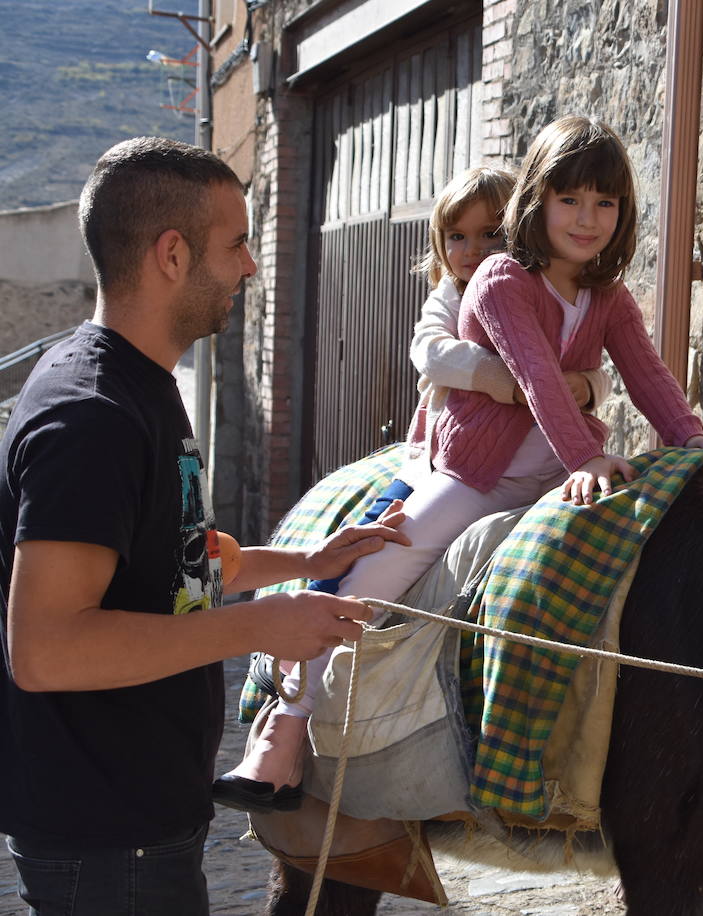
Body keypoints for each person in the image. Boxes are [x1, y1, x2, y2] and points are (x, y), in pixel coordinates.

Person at [222, 114, 703, 798]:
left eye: (605, 202)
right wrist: (583, 458)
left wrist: (694, 443)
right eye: (569, 199)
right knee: (380, 566)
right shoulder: (502, 281)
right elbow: (539, 376)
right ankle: (289, 717)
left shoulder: (608, 299)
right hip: (477, 476)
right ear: (536, 201)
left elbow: (649, 377)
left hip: (561, 472)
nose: (587, 218)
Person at [0, 137, 409, 916]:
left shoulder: (141, 385)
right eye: (238, 243)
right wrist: (258, 629)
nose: (252, 265)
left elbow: (174, 569)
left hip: (142, 822)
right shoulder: (90, 416)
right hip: (106, 841)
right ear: (172, 254)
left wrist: (308, 559)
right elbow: (47, 649)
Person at [303, 166, 610, 594]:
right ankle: (312, 622)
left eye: (490, 234)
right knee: (372, 536)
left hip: (542, 461)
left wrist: (590, 384)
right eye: (457, 236)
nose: (473, 250)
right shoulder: (450, 295)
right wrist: (508, 380)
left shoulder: (538, 290)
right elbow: (429, 351)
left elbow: (576, 358)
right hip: (442, 458)